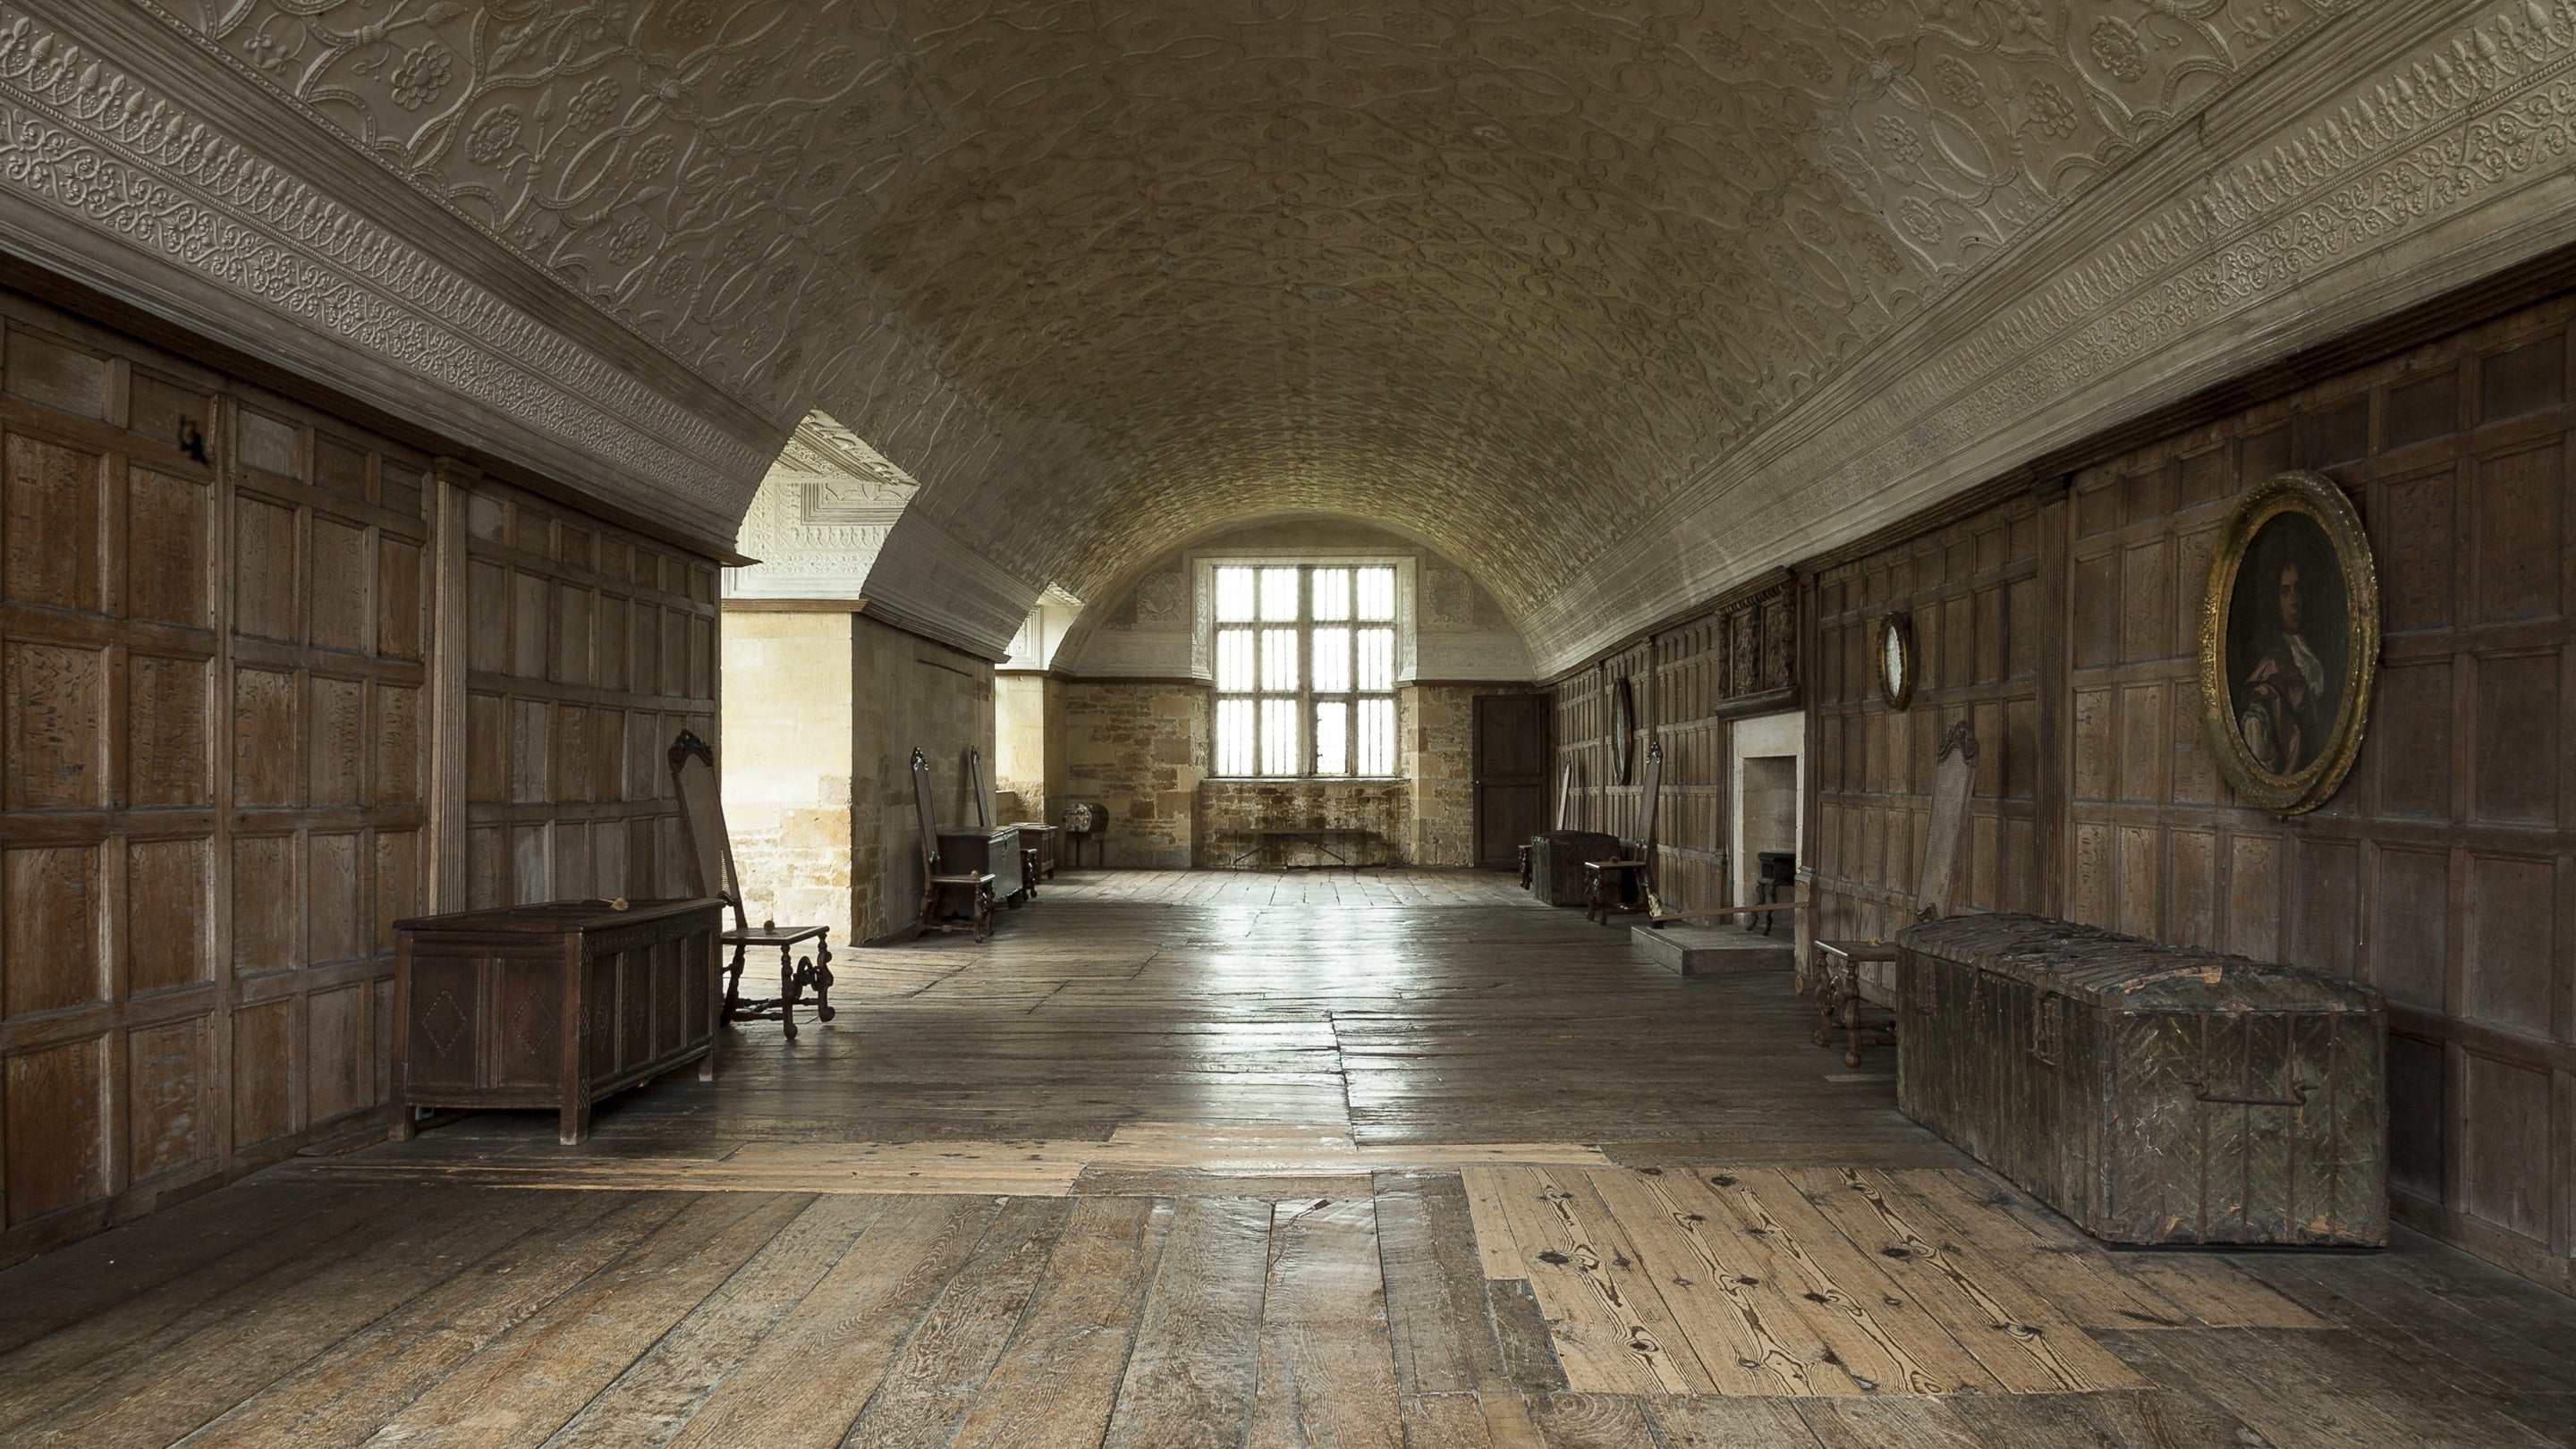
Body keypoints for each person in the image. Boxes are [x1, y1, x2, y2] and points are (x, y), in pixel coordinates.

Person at [2236, 556, 2330, 775]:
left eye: (2298, 589)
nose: (2294, 601)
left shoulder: (2309, 650)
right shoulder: (2270, 668)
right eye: (2285, 592)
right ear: (2273, 601)